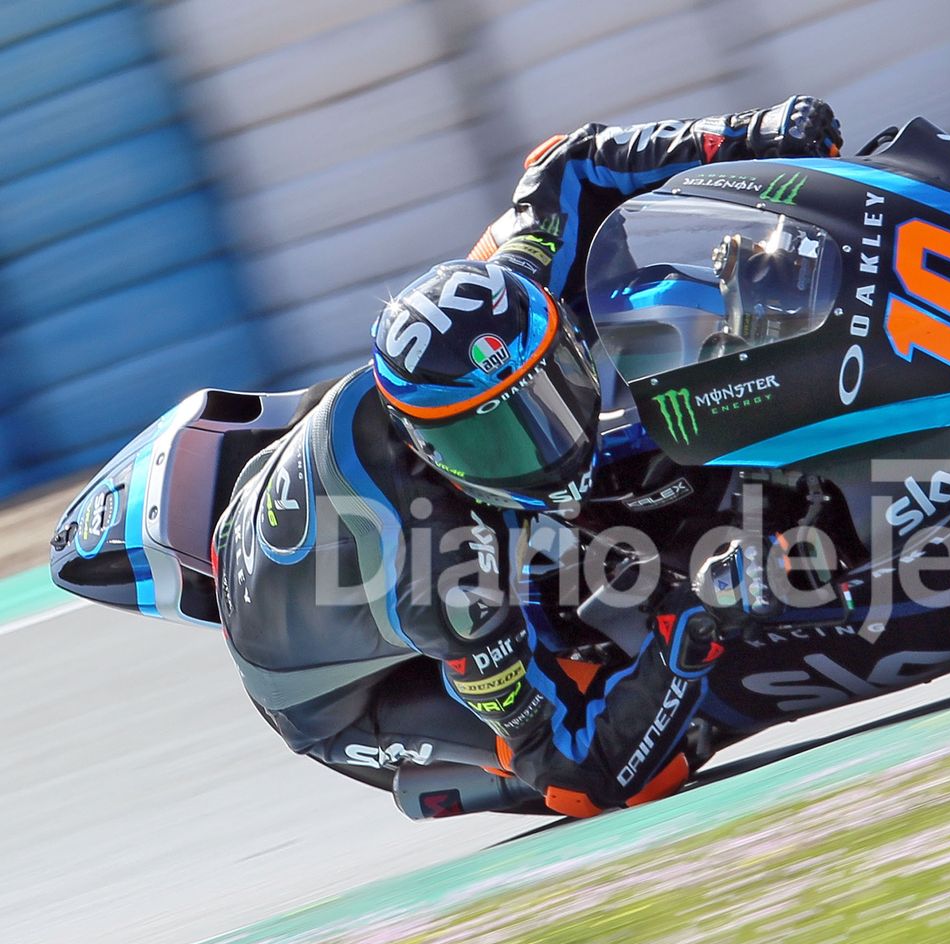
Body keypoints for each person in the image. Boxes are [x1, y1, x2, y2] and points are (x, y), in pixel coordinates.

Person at [211, 97, 844, 820]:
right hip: (338, 690)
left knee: (641, 474)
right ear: (430, 445)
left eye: (542, 392)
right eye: (495, 437)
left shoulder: (520, 295)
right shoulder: (449, 585)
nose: (545, 440)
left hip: (321, 484)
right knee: (666, 731)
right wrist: (695, 621)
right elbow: (576, 775)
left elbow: (564, 166)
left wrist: (739, 135)